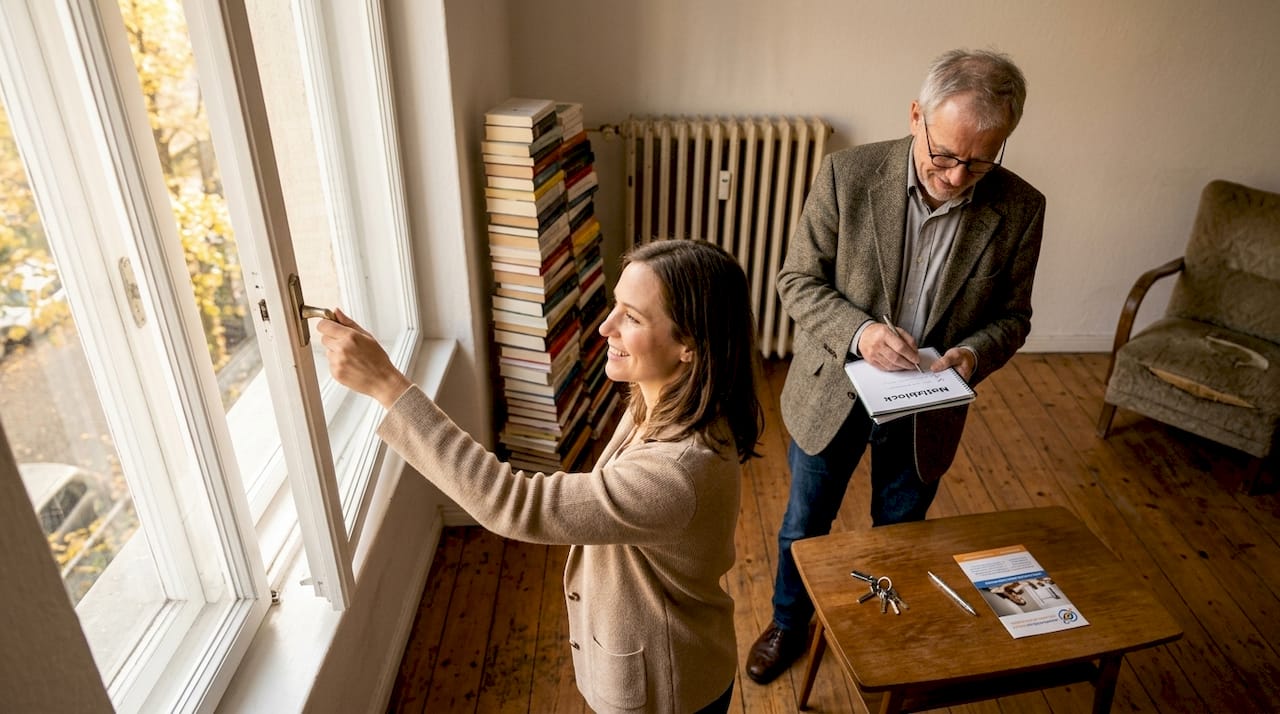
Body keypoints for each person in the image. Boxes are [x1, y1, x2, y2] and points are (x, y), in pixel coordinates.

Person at [317, 239, 762, 714]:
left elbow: (514, 504)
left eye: (631, 317)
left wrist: (388, 386)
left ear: (689, 345)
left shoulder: (676, 473)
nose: (605, 326)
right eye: (616, 305)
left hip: (669, 689)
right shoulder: (668, 398)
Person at [745, 48, 1047, 684]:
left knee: (901, 532)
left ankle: (881, 631)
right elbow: (796, 280)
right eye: (945, 154)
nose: (960, 176)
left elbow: (1014, 318)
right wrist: (859, 333)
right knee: (805, 523)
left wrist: (973, 354)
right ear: (917, 117)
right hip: (832, 390)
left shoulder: (1022, 207)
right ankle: (786, 623)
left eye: (981, 159)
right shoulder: (845, 176)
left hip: (929, 405)